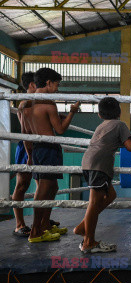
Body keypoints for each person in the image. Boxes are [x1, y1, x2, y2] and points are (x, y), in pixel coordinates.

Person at [74, 97, 131, 253]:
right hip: (99, 165)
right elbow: (130, 147)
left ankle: (83, 227)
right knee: (94, 203)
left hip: (90, 163)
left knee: (110, 195)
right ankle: (88, 242)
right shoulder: (120, 124)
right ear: (119, 112)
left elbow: (116, 143)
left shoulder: (101, 126)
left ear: (100, 115)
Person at [27, 68, 80, 243]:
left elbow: (30, 127)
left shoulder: (28, 101)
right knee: (43, 189)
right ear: (48, 82)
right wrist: (72, 112)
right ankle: (36, 231)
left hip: (38, 147)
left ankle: (44, 226)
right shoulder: (49, 103)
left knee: (52, 187)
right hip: (48, 148)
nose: (57, 88)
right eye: (57, 84)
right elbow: (60, 129)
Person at [12, 72, 35, 237]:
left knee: (45, 185)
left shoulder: (35, 101)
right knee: (22, 185)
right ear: (32, 85)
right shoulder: (25, 103)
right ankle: (19, 224)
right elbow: (25, 131)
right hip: (27, 146)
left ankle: (42, 221)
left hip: (37, 145)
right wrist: (29, 154)